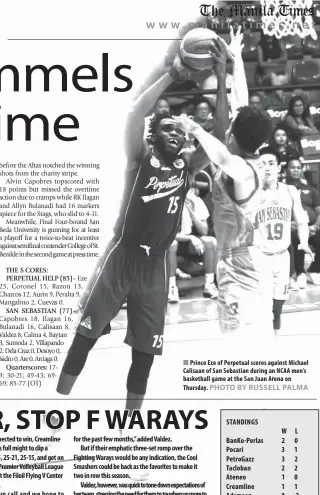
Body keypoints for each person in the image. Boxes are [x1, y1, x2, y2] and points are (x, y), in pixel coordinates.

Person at [56, 38, 230, 410]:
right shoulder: (139, 159)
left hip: (154, 269)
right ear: (155, 136)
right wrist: (174, 74)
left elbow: (222, 129)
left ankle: (131, 424)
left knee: (144, 355)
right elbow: (135, 113)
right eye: (168, 128)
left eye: (180, 132)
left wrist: (220, 74)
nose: (176, 134)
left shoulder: (187, 167)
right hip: (123, 258)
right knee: (86, 337)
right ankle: (58, 399)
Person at [175, 34, 275, 336]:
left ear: (235, 137)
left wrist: (195, 129)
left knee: (237, 341)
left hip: (242, 266)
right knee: (257, 338)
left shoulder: (243, 171)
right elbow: (241, 104)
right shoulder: (250, 150)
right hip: (244, 261)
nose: (227, 129)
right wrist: (236, 62)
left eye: (231, 129)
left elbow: (220, 154)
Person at [254, 147, 311, 330]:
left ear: (279, 168)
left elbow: (301, 221)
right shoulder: (251, 193)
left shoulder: (290, 191)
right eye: (262, 165)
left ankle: (275, 343)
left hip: (282, 256)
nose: (267, 168)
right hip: (259, 255)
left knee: (277, 308)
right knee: (261, 308)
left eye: (271, 163)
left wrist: (303, 242)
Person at [167, 187, 218, 303]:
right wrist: (190, 237)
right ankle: (171, 288)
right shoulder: (168, 199)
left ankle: (209, 285)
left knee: (210, 242)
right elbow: (166, 234)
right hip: (171, 241)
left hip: (188, 242)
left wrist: (191, 212)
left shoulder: (196, 200)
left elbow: (204, 231)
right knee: (172, 244)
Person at [285, 157, 320, 287]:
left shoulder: (311, 190)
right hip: (291, 228)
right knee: (298, 237)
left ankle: (314, 270)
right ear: (287, 170)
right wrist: (290, 224)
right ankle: (299, 274)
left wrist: (315, 226)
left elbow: (319, 212)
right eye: (292, 167)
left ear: (302, 170)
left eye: (298, 168)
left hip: (310, 227)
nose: (296, 170)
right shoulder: (281, 189)